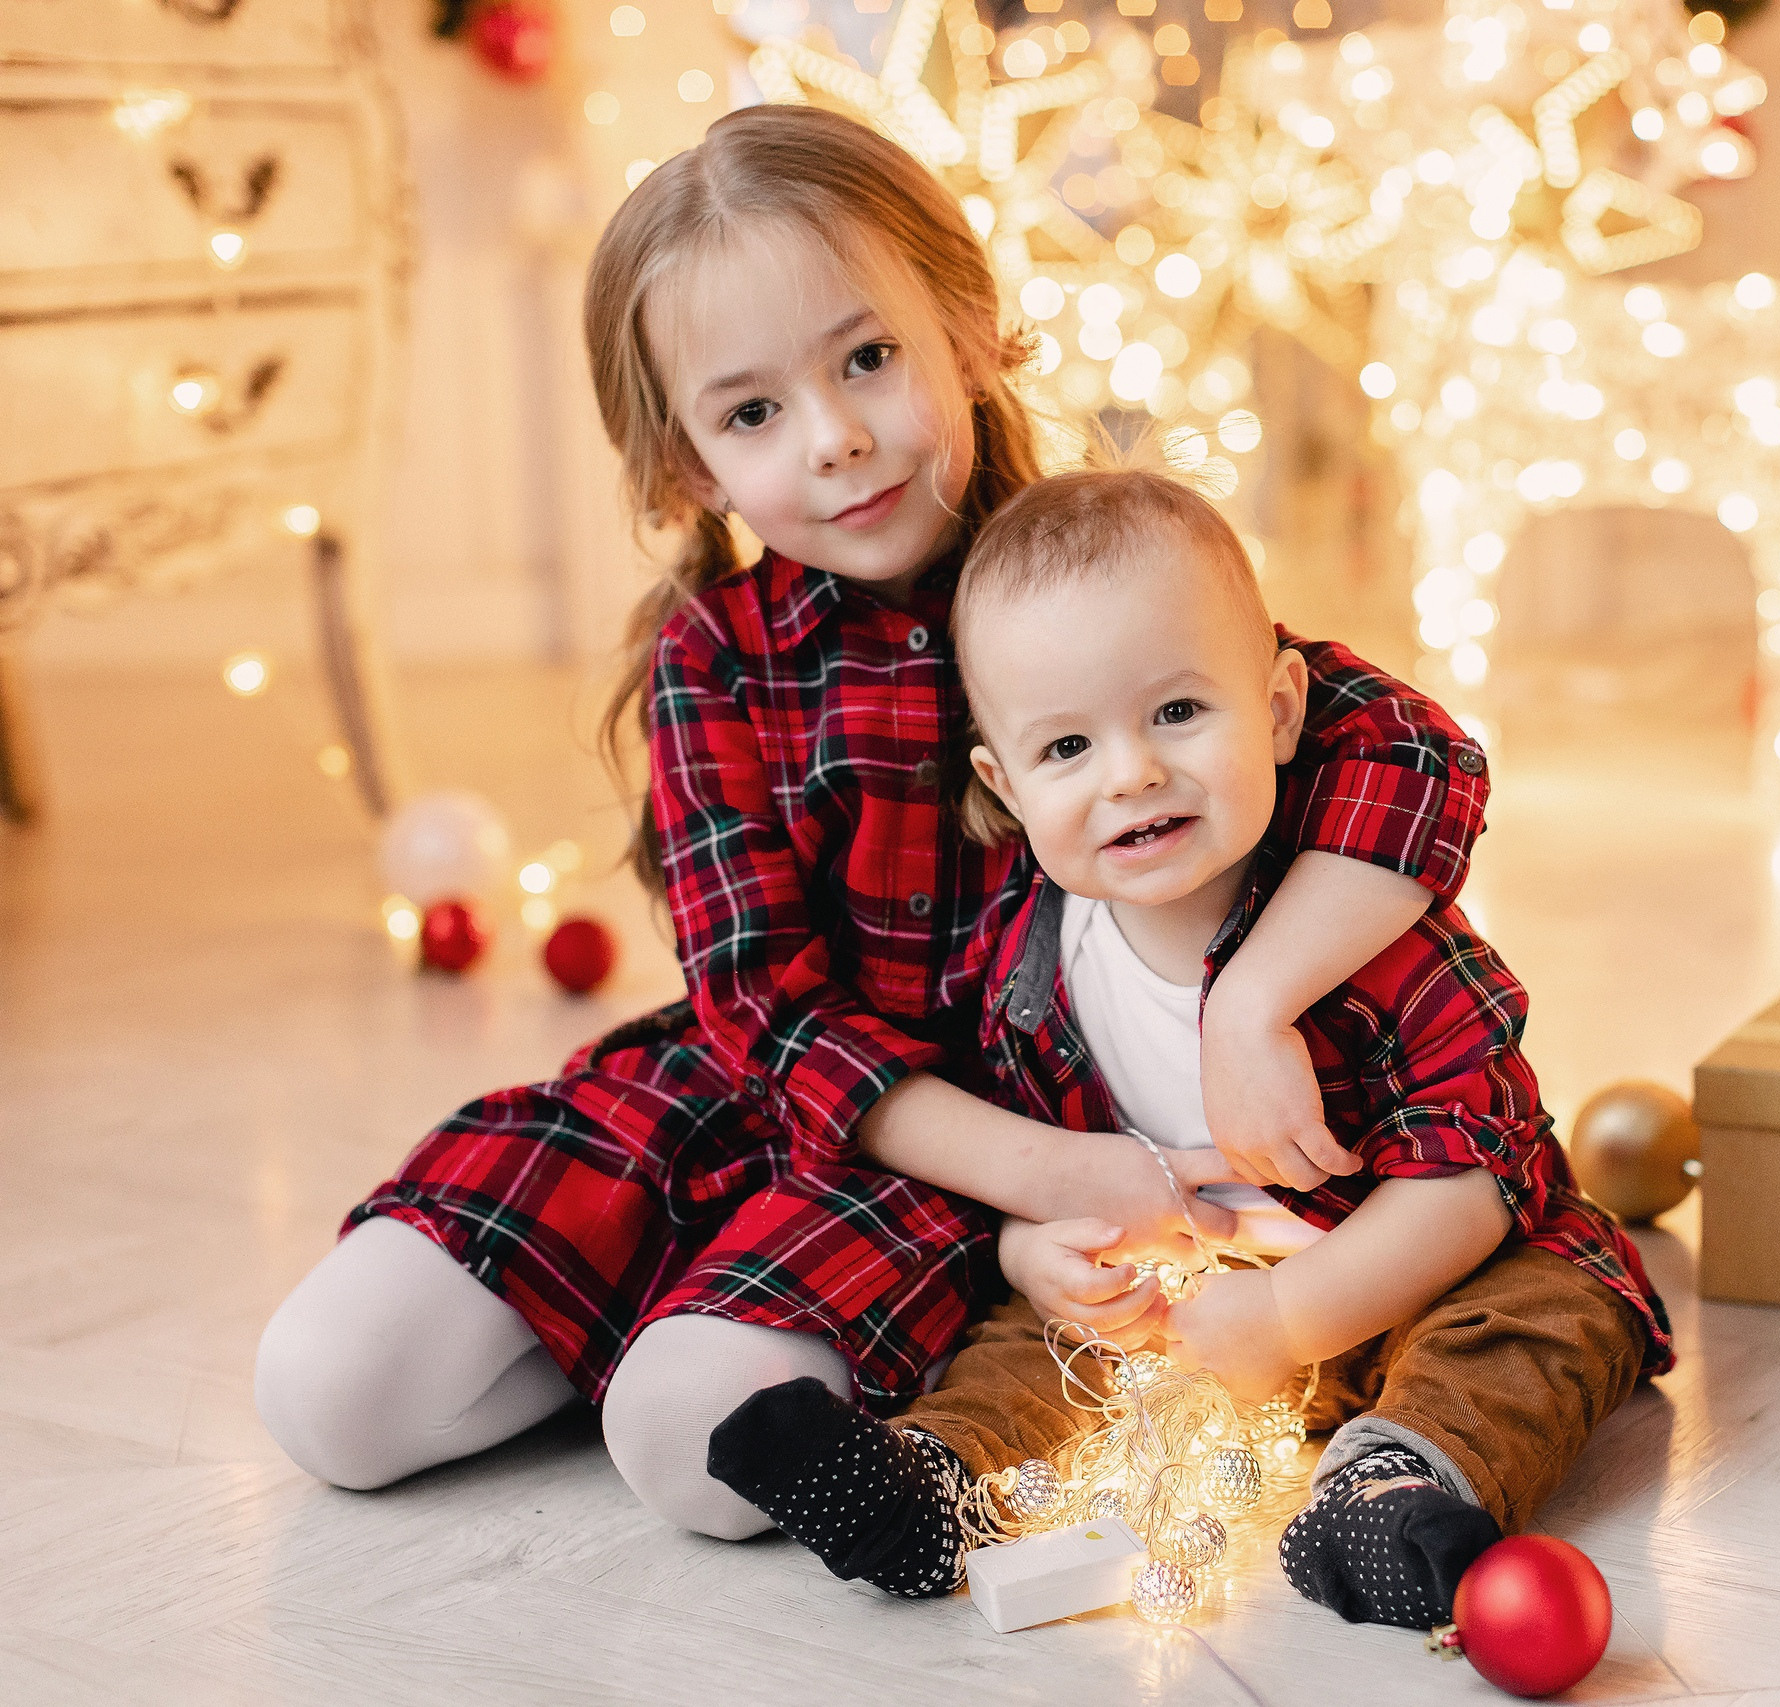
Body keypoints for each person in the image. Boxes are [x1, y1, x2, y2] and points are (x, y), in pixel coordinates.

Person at [252, 106, 1490, 1544]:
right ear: (692, 467)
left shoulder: (1086, 572)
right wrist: (1075, 1178)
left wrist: (1249, 1007)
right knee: (328, 1393)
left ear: (969, 333)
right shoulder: (714, 657)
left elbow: (1410, 747)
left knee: (690, 1450)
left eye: (869, 358)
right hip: (786, 1084)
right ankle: (648, 1296)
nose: (835, 439)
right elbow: (765, 1009)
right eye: (753, 411)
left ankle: (748, 1343)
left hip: (983, 1121)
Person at [706, 469, 1671, 1628]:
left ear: (1275, 711)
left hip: (1414, 1280)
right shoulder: (1025, 962)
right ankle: (934, 1487)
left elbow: (1477, 1185)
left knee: (1548, 1319)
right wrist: (1028, 1253)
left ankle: (1394, 1483)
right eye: (1067, 747)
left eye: (1176, 713)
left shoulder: (1362, 938)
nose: (1132, 773)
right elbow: (1028, 1153)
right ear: (1002, 789)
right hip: (1186, 1312)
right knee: (1030, 1341)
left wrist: (1292, 1320)